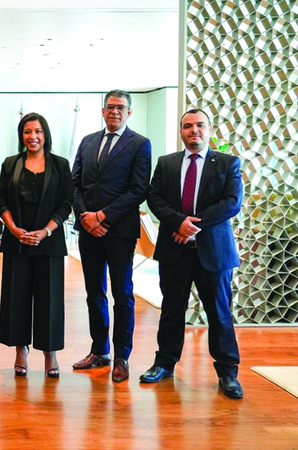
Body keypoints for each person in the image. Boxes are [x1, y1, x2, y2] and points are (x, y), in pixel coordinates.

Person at [140, 108, 244, 399]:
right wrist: (178, 223)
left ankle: (227, 373)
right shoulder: (167, 163)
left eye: (200, 125)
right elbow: (153, 197)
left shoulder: (228, 163)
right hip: (175, 251)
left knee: (219, 314)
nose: (193, 130)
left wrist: (191, 225)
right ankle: (164, 363)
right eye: (187, 126)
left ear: (209, 129)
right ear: (181, 131)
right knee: (171, 310)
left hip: (214, 252)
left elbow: (232, 202)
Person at [71, 89, 151, 383]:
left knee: (122, 294)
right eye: (110, 107)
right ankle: (99, 351)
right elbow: (74, 184)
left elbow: (138, 189)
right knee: (94, 293)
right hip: (88, 231)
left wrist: (102, 217)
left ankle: (121, 357)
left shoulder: (139, 144)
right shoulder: (88, 141)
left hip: (118, 231)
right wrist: (86, 216)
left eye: (120, 107)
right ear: (102, 111)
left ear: (129, 112)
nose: (114, 111)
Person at [0, 113, 73, 378]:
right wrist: (13, 229)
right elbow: (2, 200)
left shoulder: (60, 165)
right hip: (16, 241)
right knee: (16, 298)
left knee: (49, 300)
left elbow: (65, 203)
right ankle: (20, 350)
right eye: (27, 131)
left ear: (45, 134)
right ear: (21, 135)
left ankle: (50, 353)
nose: (33, 136)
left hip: (48, 241)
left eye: (38, 131)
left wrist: (46, 231)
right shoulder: (11, 164)